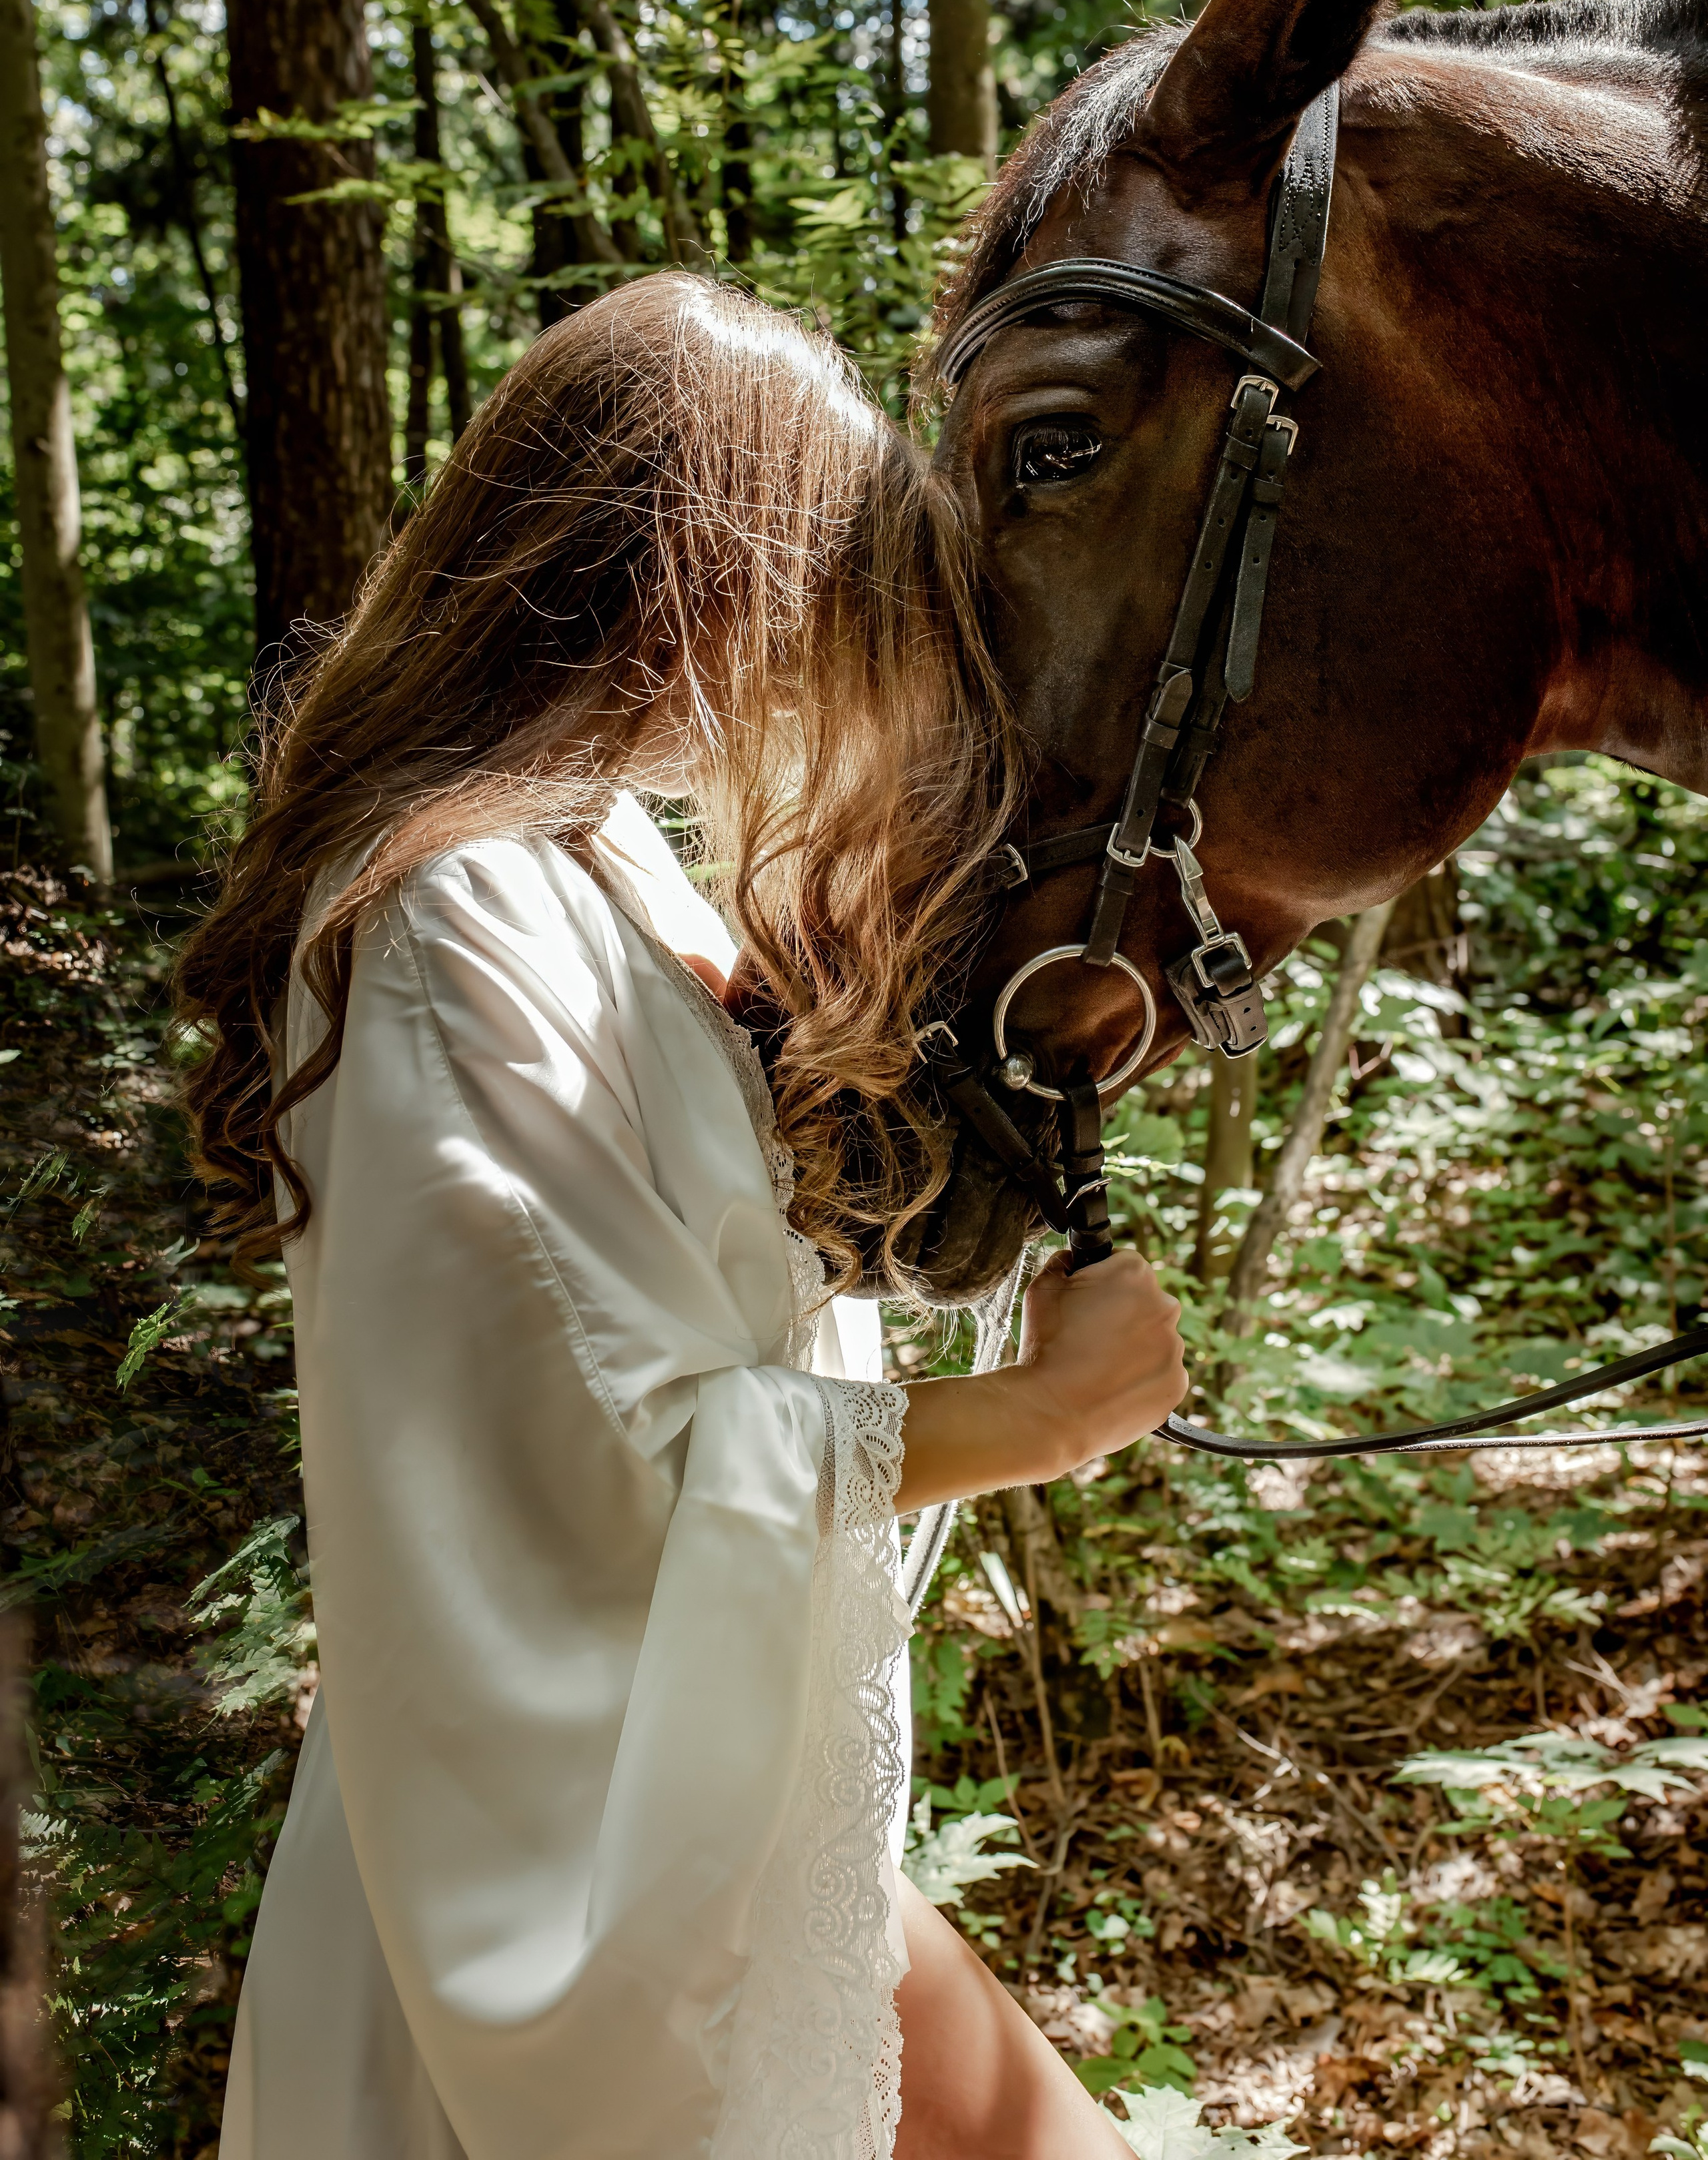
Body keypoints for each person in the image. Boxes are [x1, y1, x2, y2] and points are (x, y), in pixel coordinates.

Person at [177, 272, 1186, 2160]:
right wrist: (1033, 1425)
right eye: (827, 583)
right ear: (680, 570)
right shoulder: (447, 914)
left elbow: (740, 1260)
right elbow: (584, 1437)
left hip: (694, 1781)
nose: (833, 650)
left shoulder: (595, 860)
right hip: (563, 1827)